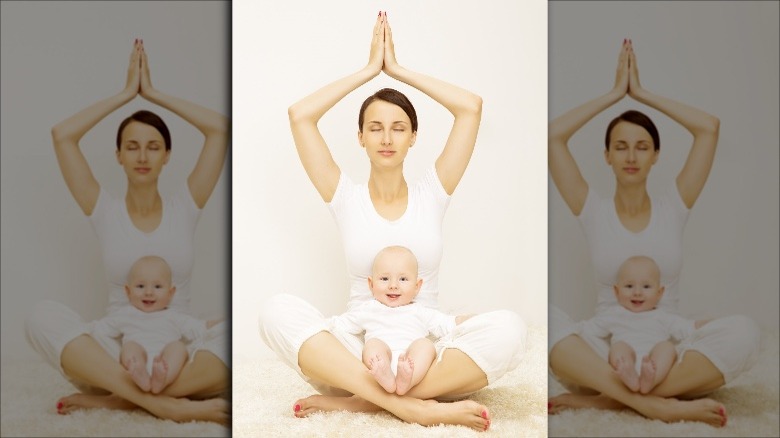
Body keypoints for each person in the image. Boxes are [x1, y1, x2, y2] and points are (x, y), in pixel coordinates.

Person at [260, 12, 525, 432]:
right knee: (275, 312)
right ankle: (413, 407)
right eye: (376, 128)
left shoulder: (432, 193)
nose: (387, 138)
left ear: (414, 137)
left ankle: (365, 403)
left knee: (511, 328)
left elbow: (470, 108)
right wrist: (368, 71)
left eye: (399, 128)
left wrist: (398, 71)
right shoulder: (345, 196)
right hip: (357, 353)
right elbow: (300, 116)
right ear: (360, 137)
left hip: (427, 354)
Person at [547, 39, 760, 427]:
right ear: (607, 156)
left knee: (746, 332)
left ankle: (611, 400)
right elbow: (553, 136)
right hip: (606, 351)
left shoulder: (674, 205)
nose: (631, 156)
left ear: (656, 155)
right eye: (621, 147)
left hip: (668, 350)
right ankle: (656, 404)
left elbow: (709, 128)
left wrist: (641, 94)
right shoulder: (592, 208)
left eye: (642, 147)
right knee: (542, 318)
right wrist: (614, 95)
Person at [25, 39, 229, 423]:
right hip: (116, 352)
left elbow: (220, 129)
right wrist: (125, 95)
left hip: (179, 351)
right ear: (118, 155)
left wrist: (153, 94)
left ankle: (124, 399)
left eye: (153, 147)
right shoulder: (104, 209)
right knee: (40, 315)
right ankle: (162, 403)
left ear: (167, 155)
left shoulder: (185, 205)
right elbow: (61, 135)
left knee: (240, 324)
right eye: (131, 147)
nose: (142, 156)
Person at [334, 246, 473, 396]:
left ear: (417, 286)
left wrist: (468, 319)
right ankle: (386, 377)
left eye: (403, 279)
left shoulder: (421, 311)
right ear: (371, 284)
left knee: (426, 345)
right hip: (379, 366)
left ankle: (406, 381)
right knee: (372, 345)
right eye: (384, 278)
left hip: (413, 364)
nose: (393, 285)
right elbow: (339, 325)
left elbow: (448, 324)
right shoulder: (368, 309)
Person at [93, 256, 221, 395]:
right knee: (129, 347)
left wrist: (222, 321)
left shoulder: (174, 316)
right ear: (128, 292)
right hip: (135, 364)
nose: (149, 292)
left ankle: (162, 379)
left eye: (158, 286)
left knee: (178, 348)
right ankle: (140, 374)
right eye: (140, 286)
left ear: (170, 293)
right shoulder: (125, 314)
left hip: (167, 364)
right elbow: (98, 329)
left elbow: (200, 328)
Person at [579, 255, 704, 395]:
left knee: (667, 348)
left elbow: (688, 328)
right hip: (624, 366)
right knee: (618, 347)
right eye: (629, 286)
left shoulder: (663, 317)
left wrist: (707, 324)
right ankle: (629, 377)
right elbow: (587, 329)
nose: (637, 292)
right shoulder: (613, 314)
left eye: (646, 286)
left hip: (656, 364)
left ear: (659, 293)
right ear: (617, 291)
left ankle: (651, 380)